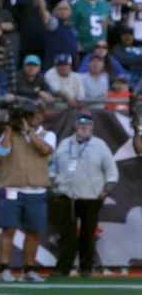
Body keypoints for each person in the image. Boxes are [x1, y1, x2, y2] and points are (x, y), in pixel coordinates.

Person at [50, 110, 119, 278]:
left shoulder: (100, 145)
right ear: (75, 125)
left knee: (88, 234)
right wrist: (54, 186)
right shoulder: (64, 144)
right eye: (81, 123)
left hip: (91, 197)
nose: (84, 126)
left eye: (88, 123)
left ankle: (86, 267)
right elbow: (53, 167)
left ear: (93, 127)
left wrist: (105, 191)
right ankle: (63, 267)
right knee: (66, 235)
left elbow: (112, 172)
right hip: (67, 196)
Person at [0, 99, 56, 283]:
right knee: (8, 229)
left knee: (33, 232)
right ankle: (4, 269)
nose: (34, 117)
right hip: (12, 187)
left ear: (42, 116)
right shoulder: (12, 133)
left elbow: (45, 150)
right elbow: (0, 153)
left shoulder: (48, 134)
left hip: (36, 189)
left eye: (37, 114)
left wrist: (29, 131)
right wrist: (8, 130)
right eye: (31, 114)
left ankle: (29, 270)